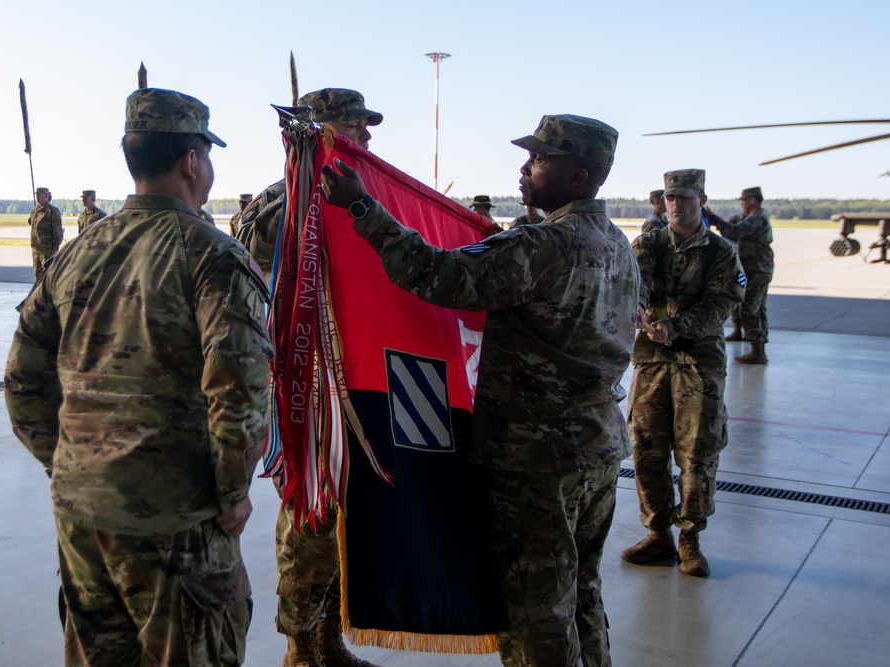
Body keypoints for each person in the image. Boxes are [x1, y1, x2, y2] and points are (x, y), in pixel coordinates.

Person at [322, 113, 639, 667]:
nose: (525, 166)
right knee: (581, 590)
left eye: (541, 158)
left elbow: (438, 276)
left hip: (537, 458)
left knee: (534, 609)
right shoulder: (616, 242)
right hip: (596, 448)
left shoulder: (546, 243)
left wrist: (362, 208)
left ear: (579, 176)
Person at [4, 87, 273, 667]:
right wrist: (232, 491)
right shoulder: (212, 255)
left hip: (80, 513)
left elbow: (23, 379)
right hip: (176, 521)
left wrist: (71, 462)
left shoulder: (76, 252)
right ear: (191, 160)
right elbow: (239, 388)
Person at [237, 87, 383, 667]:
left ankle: (328, 638)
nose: (367, 136)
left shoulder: (358, 196)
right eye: (356, 126)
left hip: (350, 384)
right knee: (310, 517)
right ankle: (299, 644)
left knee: (342, 522)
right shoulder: (282, 207)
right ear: (320, 133)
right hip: (301, 388)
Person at [621, 169, 745, 578]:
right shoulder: (648, 244)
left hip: (697, 365)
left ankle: (690, 538)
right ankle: (658, 533)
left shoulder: (720, 252)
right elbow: (631, 284)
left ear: (702, 200)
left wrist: (675, 327)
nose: (675, 204)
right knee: (646, 449)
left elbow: (720, 305)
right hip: (652, 362)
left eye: (684, 197)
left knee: (697, 453)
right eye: (670, 197)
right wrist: (638, 311)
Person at [704, 186, 773, 363]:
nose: (741, 204)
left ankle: (758, 350)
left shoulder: (757, 220)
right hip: (754, 269)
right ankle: (747, 336)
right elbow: (733, 225)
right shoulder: (748, 218)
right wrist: (722, 222)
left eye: (743, 200)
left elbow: (734, 231)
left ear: (752, 201)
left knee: (750, 308)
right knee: (755, 307)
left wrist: (713, 218)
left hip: (757, 271)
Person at [27, 187, 63, 279]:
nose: (37, 197)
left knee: (47, 274)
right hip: (36, 249)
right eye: (36, 195)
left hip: (47, 250)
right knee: (37, 274)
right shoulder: (34, 211)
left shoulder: (52, 211)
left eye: (39, 195)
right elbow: (31, 222)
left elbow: (57, 231)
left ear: (46, 196)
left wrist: (56, 248)